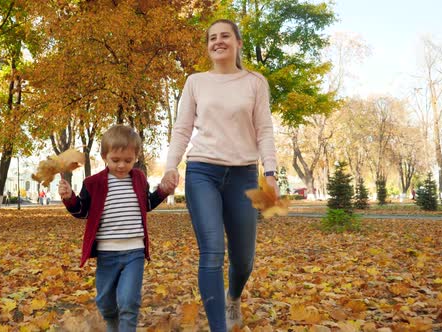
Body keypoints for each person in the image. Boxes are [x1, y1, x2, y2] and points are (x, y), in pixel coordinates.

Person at [160, 19, 279, 331]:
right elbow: (182, 128)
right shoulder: (196, 82)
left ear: (238, 42)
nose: (218, 41)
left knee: (244, 260)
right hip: (202, 172)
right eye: (212, 38)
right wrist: (171, 166)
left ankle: (233, 296)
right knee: (212, 249)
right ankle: (218, 328)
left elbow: (264, 130)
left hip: (243, 177)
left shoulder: (255, 82)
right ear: (208, 46)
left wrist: (271, 172)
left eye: (225, 36)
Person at [58, 125, 172, 332]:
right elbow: (82, 211)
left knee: (129, 303)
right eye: (115, 160)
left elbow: (146, 204)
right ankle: (112, 323)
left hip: (134, 253)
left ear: (136, 157)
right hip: (107, 254)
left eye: (128, 161)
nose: (121, 165)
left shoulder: (138, 179)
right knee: (105, 303)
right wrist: (70, 199)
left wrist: (162, 192)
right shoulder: (93, 183)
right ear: (104, 157)